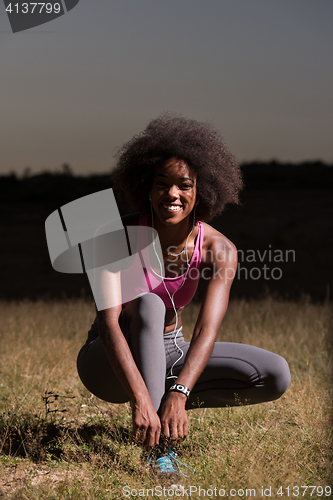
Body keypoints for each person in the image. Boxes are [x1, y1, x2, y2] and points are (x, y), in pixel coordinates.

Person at [77, 114, 291, 479]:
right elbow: (109, 322)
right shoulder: (115, 236)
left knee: (274, 374)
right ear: (146, 186)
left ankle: (167, 410)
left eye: (184, 185)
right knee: (148, 302)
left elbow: (207, 328)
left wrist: (179, 393)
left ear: (201, 191)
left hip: (170, 350)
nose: (172, 194)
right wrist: (141, 398)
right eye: (162, 184)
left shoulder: (219, 249)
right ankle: (161, 453)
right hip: (108, 360)